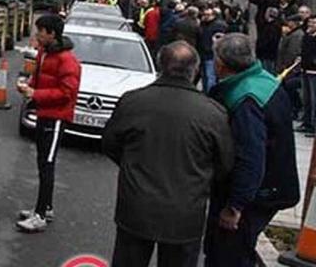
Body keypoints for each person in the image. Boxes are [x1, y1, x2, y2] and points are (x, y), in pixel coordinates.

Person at [103, 42, 234, 267]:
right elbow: (224, 163)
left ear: (159, 66)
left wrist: (133, 166)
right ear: (195, 70)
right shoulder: (213, 113)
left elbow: (110, 144)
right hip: (186, 212)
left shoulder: (133, 101)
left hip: (136, 206)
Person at [205, 34, 300, 267]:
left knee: (228, 255)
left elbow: (251, 158)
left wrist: (235, 206)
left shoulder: (245, 100)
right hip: (272, 186)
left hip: (256, 194)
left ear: (220, 64)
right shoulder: (265, 81)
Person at [15, 14, 81, 233]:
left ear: (51, 34)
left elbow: (67, 93)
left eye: (41, 31)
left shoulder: (67, 60)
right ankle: (46, 207)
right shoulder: (44, 53)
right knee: (42, 161)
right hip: (44, 113)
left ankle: (40, 215)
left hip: (56, 117)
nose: (37, 34)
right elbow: (39, 77)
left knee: (47, 164)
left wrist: (36, 93)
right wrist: (28, 87)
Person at [199, 8, 228, 93]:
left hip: (211, 54)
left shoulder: (218, 25)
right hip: (204, 53)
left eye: (208, 15)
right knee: (205, 76)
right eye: (204, 15)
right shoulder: (204, 24)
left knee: (210, 76)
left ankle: (210, 93)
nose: (205, 17)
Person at [298, 17, 316, 135]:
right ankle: (307, 122)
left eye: (314, 23)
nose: (311, 24)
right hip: (305, 70)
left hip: (314, 72)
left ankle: (314, 125)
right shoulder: (307, 36)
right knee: (306, 99)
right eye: (310, 22)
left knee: (314, 100)